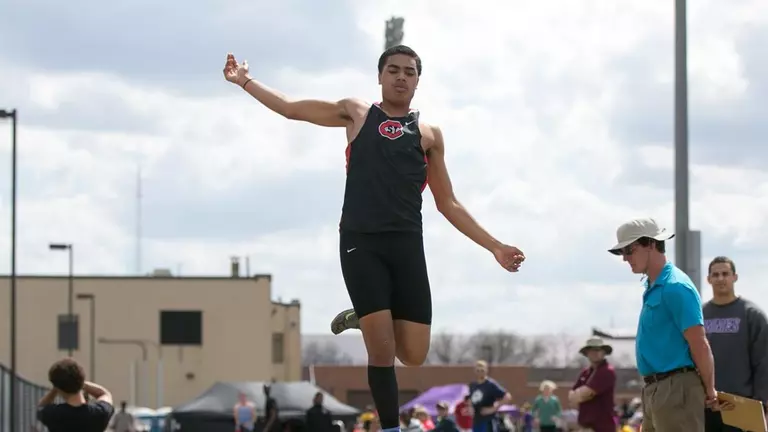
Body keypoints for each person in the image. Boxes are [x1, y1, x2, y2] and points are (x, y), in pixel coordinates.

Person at [223, 45, 525, 432]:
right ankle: (390, 427)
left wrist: (495, 246)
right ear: (380, 76)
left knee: (414, 355)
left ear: (417, 81)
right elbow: (292, 108)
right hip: (360, 243)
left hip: (406, 246)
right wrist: (244, 81)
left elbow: (448, 202)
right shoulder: (357, 113)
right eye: (394, 70)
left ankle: (364, 317)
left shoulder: (429, 135)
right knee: (382, 351)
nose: (401, 77)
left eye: (409, 72)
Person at [608, 217, 718, 431]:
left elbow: (699, 343)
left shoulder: (676, 287)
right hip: (656, 389)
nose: (625, 258)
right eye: (622, 252)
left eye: (629, 250)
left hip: (676, 388)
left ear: (651, 244)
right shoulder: (655, 285)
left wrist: (710, 391)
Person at [703, 256, 768, 432]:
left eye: (725, 273)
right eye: (715, 275)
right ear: (708, 279)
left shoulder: (752, 315)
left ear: (735, 277)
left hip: (742, 406)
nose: (720, 278)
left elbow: (763, 363)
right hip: (707, 406)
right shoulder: (699, 316)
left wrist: (763, 404)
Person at [36, 358, 115, 432]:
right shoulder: (98, 414)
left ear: (58, 388)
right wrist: (80, 382)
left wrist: (55, 388)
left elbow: (41, 406)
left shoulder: (53, 414)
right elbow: (105, 394)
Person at [568, 337, 616, 432]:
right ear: (587, 353)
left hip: (603, 427)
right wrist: (578, 395)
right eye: (592, 350)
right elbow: (571, 397)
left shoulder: (606, 371)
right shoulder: (585, 372)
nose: (595, 353)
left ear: (604, 353)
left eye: (598, 350)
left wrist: (579, 395)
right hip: (585, 427)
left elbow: (587, 393)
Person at [468, 360, 512, 432]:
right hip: (476, 421)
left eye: (482, 370)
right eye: (478, 370)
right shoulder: (473, 385)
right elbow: (470, 399)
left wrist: (493, 408)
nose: (480, 372)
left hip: (488, 420)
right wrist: (470, 407)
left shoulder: (490, 384)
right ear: (475, 371)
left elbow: (507, 396)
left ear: (486, 370)